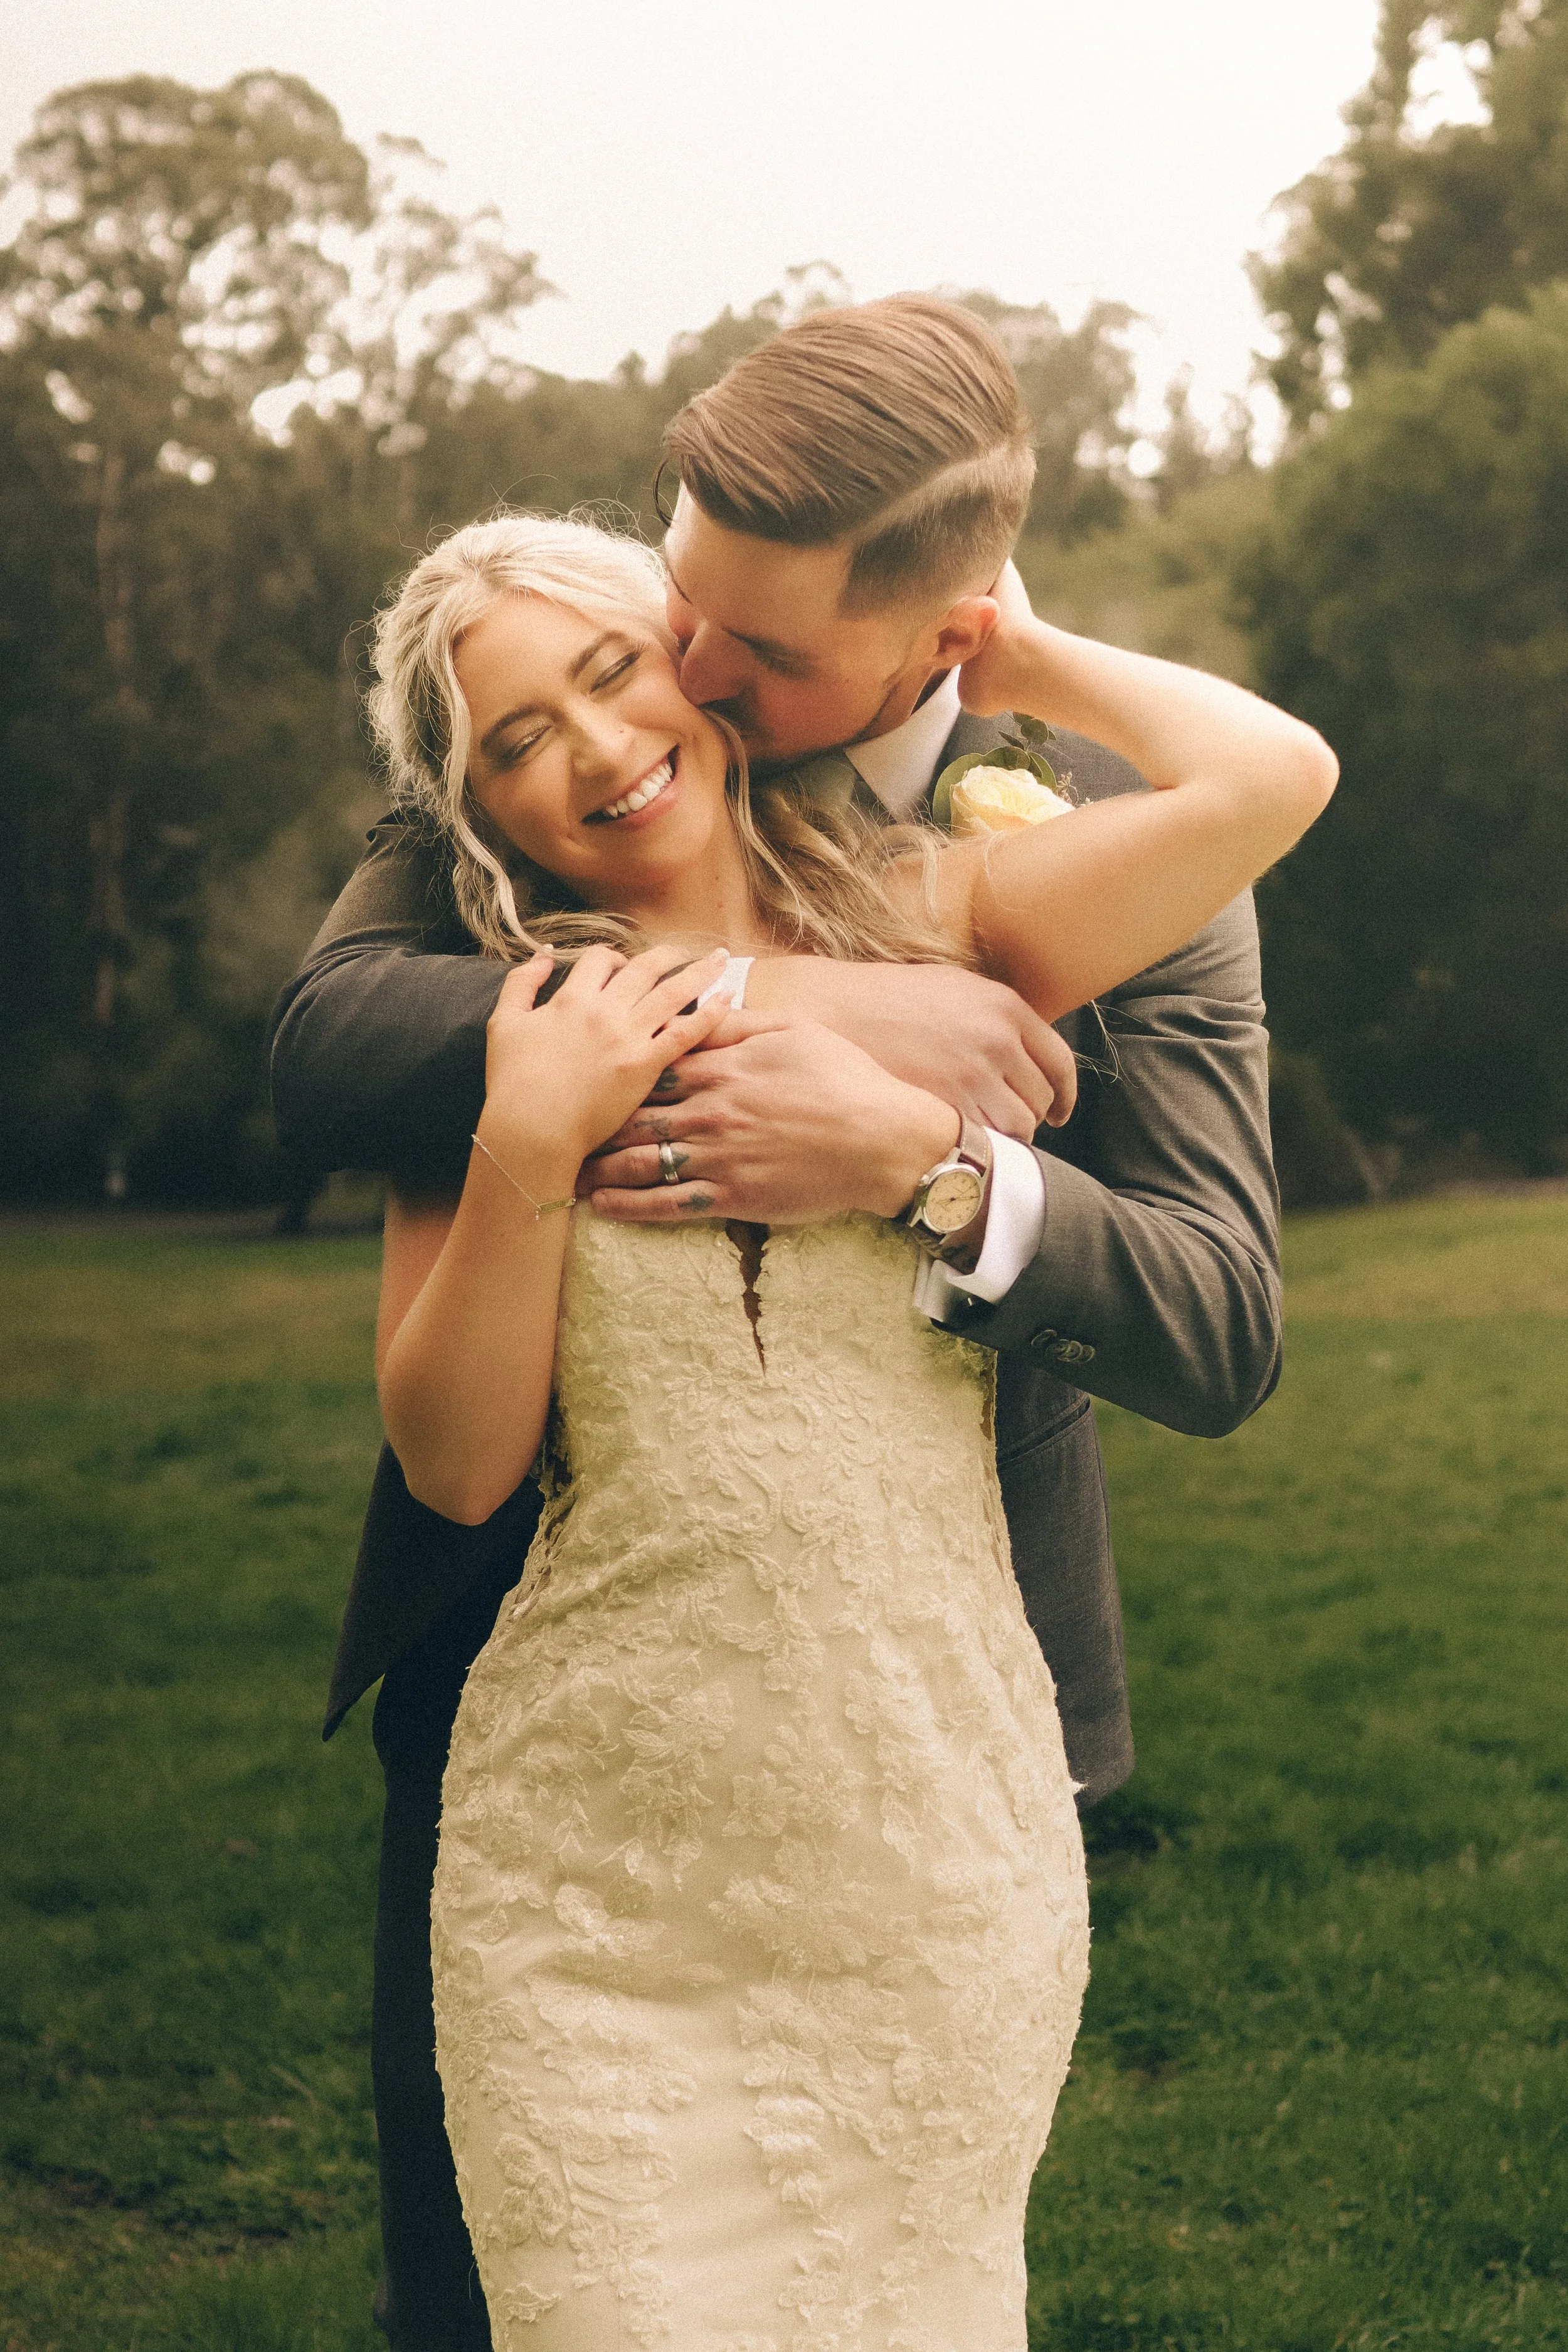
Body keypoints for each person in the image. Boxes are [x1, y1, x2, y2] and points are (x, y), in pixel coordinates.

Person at [267, 296, 1295, 2349]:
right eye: (679, 606)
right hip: (557, 1765)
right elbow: (332, 1062)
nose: (663, 696)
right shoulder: (494, 864)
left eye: (722, 653)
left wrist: (918, 1146)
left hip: (919, 1759)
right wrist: (666, 1059)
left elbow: (1211, 1306)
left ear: (930, 642)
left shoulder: (1021, 857)